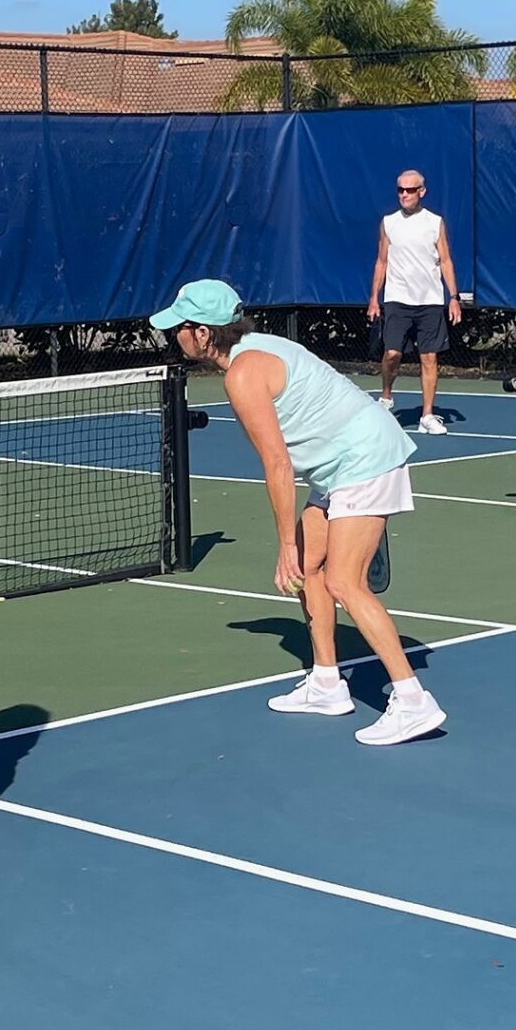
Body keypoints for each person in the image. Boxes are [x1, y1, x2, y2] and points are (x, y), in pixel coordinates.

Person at [155, 278, 447, 746]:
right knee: (310, 569)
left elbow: (276, 462)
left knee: (342, 582)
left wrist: (285, 546)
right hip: (339, 467)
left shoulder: (242, 374)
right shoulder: (252, 347)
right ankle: (327, 683)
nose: (177, 336)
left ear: (205, 332)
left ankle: (413, 700)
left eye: (182, 327)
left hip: (364, 459)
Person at [367, 169, 462, 436]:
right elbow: (381, 261)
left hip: (430, 302)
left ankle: (427, 416)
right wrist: (374, 298)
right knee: (392, 354)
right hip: (397, 299)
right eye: (400, 190)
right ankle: (386, 396)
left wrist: (453, 298)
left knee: (429, 358)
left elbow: (445, 260)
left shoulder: (435, 222)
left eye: (410, 190)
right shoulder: (388, 222)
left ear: (422, 192)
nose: (404, 194)